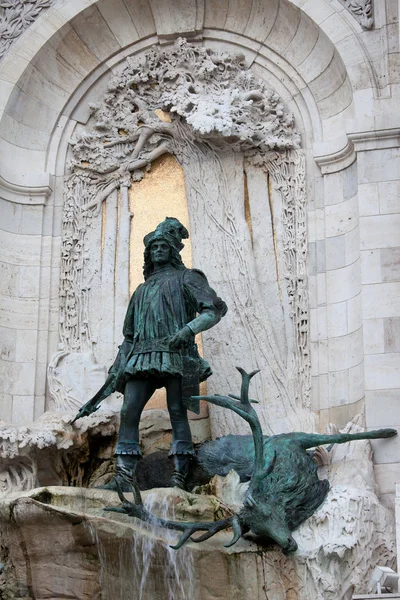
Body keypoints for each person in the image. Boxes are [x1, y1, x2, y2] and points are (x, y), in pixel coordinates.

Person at [108, 217, 227, 491]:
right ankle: (123, 478)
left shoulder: (187, 278)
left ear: (173, 250)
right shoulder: (140, 290)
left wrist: (187, 331)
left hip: (176, 353)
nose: (158, 250)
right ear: (148, 253)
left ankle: (179, 475)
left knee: (177, 411)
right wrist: (116, 369)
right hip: (142, 355)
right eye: (154, 247)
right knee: (129, 410)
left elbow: (214, 310)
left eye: (163, 246)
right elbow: (128, 336)